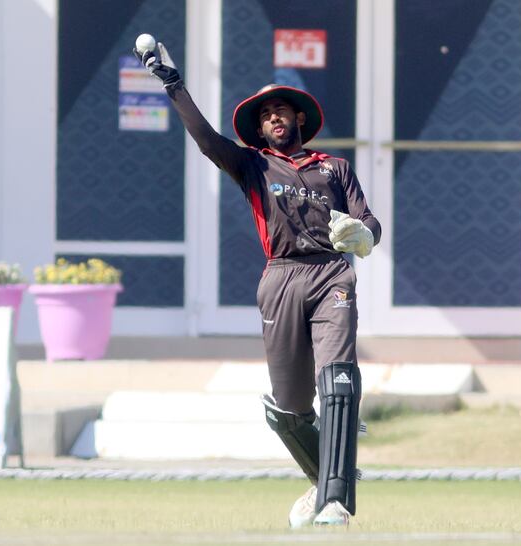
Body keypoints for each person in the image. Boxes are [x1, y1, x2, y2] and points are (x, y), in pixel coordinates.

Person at [134, 40, 381, 527]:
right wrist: (173, 84)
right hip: (281, 279)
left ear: (299, 120)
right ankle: (326, 481)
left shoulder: (335, 167)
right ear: (261, 127)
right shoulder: (252, 165)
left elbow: (369, 221)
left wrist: (361, 237)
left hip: (331, 272)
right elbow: (206, 141)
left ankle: (335, 502)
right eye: (267, 114)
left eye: (282, 111)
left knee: (339, 383)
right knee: (287, 410)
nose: (275, 118)